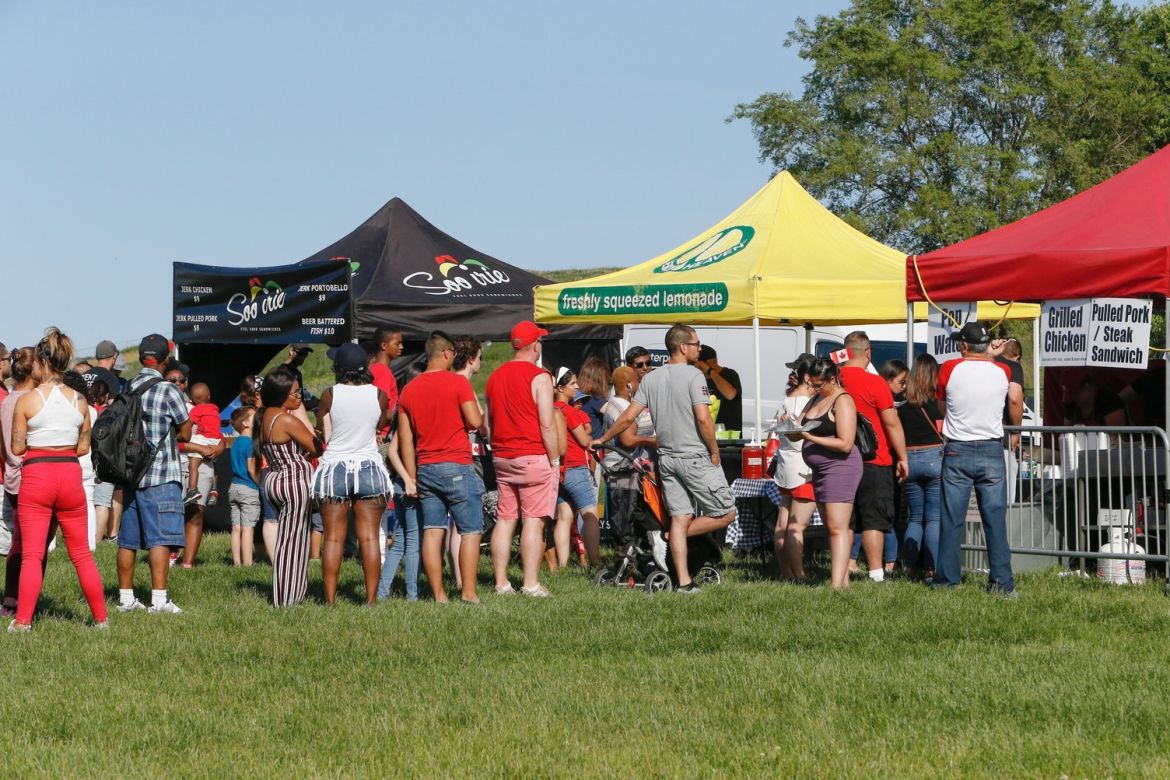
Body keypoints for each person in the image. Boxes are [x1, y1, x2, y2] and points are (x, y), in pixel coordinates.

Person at [593, 324, 736, 594]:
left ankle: (684, 582)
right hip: (694, 456)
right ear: (683, 347)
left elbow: (627, 417)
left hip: (666, 459)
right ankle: (673, 537)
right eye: (696, 344)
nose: (699, 349)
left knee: (680, 518)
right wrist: (714, 450)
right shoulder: (694, 376)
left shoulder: (651, 379)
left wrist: (603, 439)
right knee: (726, 512)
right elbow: (703, 418)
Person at [7, 328, 107, 631]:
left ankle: (22, 622)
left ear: (40, 361)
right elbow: (83, 447)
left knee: (32, 555)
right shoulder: (80, 401)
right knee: (81, 555)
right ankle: (101, 619)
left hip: (38, 475)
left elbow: (17, 447)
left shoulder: (27, 401)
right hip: (69, 475)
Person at [398, 331, 484, 603]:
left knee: (432, 532)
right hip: (457, 464)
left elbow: (406, 441)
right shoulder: (457, 383)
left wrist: (412, 477)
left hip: (426, 468)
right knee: (470, 532)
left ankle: (439, 595)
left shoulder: (409, 390)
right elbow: (475, 421)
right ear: (447, 353)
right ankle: (468, 593)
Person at [934, 322, 1017, 597]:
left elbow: (941, 406)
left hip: (958, 448)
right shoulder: (1003, 370)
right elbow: (1011, 396)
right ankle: (1002, 583)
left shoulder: (949, 368)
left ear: (963, 346)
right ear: (986, 345)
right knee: (995, 520)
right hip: (992, 448)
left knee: (951, 519)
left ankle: (947, 580)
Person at [312, 342, 394, 605]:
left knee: (333, 538)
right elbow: (380, 423)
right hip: (369, 466)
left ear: (340, 368)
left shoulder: (329, 394)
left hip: (334, 468)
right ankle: (371, 600)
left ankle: (330, 600)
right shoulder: (380, 395)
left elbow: (322, 427)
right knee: (369, 538)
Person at [115, 334, 191, 615]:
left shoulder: (128, 386)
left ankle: (125, 599)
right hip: (160, 473)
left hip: (130, 475)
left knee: (128, 540)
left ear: (142, 358)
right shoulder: (168, 390)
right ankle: (158, 601)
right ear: (165, 360)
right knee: (160, 538)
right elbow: (186, 431)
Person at [485, 321, 560, 597]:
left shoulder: (495, 376)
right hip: (532, 456)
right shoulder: (540, 377)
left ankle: (501, 583)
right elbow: (547, 424)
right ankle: (530, 583)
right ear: (535, 345)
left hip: (503, 456)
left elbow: (487, 423)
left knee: (505, 520)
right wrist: (555, 459)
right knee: (533, 520)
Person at [838, 331, 908, 583]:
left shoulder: (834, 380)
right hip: (874, 459)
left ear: (846, 352)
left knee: (844, 520)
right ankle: (876, 573)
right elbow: (891, 422)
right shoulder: (875, 382)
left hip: (839, 458)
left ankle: (841, 570)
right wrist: (902, 457)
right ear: (868, 352)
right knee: (874, 519)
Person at [257, 366, 322, 607]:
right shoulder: (286, 419)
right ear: (281, 394)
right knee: (294, 543)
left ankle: (289, 593)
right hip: (293, 480)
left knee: (288, 539)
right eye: (295, 393)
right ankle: (287, 598)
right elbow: (317, 447)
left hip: (275, 478)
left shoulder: (265, 416)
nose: (299, 397)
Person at [795, 358, 862, 590]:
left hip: (840, 468)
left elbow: (845, 443)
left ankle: (836, 587)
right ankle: (842, 582)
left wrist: (810, 438)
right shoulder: (815, 398)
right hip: (820, 470)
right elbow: (798, 428)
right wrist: (787, 427)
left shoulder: (843, 400)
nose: (814, 389)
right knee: (831, 527)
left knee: (837, 527)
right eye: (811, 384)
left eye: (818, 385)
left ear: (832, 380)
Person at [600, 365, 666, 570]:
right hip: (622, 471)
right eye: (637, 381)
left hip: (628, 470)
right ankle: (627, 564)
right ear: (629, 385)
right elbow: (628, 440)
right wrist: (654, 440)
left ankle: (635, 561)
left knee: (633, 517)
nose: (640, 384)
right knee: (626, 519)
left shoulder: (620, 403)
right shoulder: (621, 407)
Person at [897, 354, 944, 579]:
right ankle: (932, 567)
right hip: (934, 457)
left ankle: (909, 566)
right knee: (933, 518)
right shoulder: (938, 405)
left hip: (909, 460)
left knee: (915, 517)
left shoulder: (903, 408)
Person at [773, 354, 817, 581]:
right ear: (808, 378)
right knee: (797, 526)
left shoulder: (787, 399)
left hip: (785, 465)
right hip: (803, 468)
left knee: (783, 523)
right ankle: (799, 575)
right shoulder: (805, 403)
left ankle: (785, 572)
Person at [551, 368, 601, 567]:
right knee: (590, 515)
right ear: (561, 388)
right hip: (575, 468)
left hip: (559, 470)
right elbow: (584, 440)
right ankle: (596, 563)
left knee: (564, 517)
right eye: (573, 383)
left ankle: (563, 565)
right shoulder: (569, 411)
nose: (577, 387)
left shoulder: (549, 409)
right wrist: (593, 440)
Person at [62, 370, 98, 551]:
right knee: (89, 503)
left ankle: (51, 544)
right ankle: (90, 543)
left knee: (56, 505)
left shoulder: (62, 408)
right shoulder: (91, 409)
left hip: (67, 459)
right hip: (87, 461)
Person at [993, 337, 1026, 504]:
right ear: (1017, 356)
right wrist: (1016, 431)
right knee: (1005, 499)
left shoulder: (987, 362)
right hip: (1002, 438)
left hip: (974, 439)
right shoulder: (1013, 367)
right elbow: (1014, 398)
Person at [228, 406, 260, 566]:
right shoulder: (250, 443)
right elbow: (251, 468)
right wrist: (260, 484)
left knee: (236, 528)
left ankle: (236, 562)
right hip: (248, 489)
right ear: (246, 423)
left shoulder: (236, 443)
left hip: (234, 488)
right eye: (254, 417)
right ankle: (247, 564)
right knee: (248, 528)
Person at [182, 382, 223, 506]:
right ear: (209, 396)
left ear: (193, 399)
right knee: (213, 466)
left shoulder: (196, 409)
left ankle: (192, 490)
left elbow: (188, 425)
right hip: (215, 440)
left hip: (204, 439)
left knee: (193, 465)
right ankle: (214, 489)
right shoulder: (214, 408)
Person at [696, 345, 742, 431]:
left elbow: (730, 395)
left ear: (714, 361)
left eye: (701, 367)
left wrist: (710, 371)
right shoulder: (699, 378)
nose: (699, 370)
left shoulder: (730, 374)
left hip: (728, 435)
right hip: (708, 433)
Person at [282, 343, 318, 413]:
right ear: (291, 351)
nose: (303, 357)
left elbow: (300, 397)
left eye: (305, 355)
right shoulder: (282, 372)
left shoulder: (297, 373)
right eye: (301, 353)